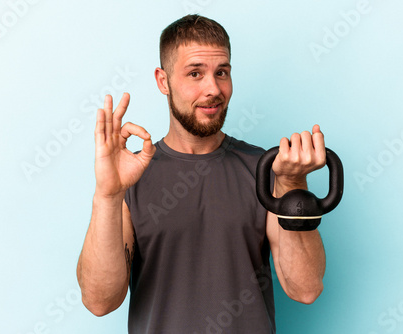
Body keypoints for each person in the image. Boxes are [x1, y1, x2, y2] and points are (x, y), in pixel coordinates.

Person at [76, 14, 326, 333]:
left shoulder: (265, 170)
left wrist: (292, 185)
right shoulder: (130, 177)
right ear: (163, 80)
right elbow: (100, 301)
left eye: (222, 72)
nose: (213, 88)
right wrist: (108, 196)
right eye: (195, 73)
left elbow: (305, 288)